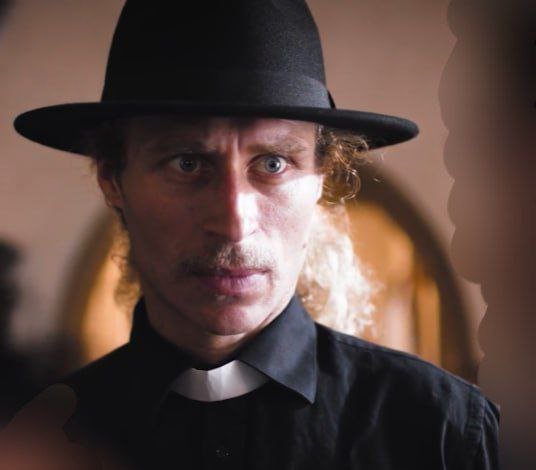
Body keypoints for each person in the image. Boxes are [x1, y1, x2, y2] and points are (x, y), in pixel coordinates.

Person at [11, 1, 499, 469]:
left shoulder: (445, 432)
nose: (234, 223)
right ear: (112, 180)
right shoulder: (38, 442)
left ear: (322, 178)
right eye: (187, 163)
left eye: (273, 164)